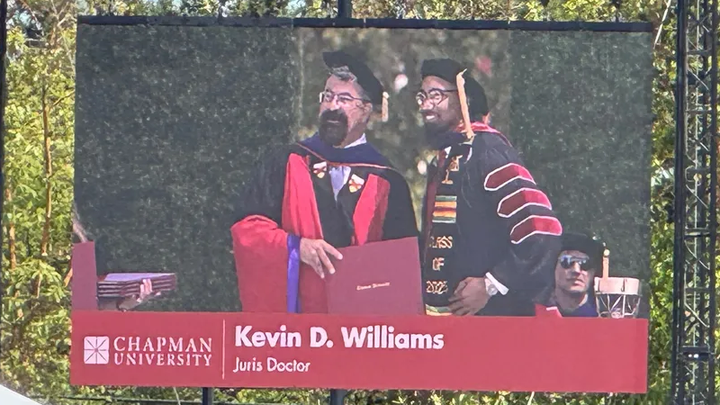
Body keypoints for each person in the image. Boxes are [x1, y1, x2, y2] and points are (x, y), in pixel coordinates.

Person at [231, 50, 419, 314]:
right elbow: (247, 229)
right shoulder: (286, 161)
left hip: (357, 324)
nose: (332, 107)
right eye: (328, 96)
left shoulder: (386, 180)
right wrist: (296, 247)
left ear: (366, 110)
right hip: (296, 322)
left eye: (344, 99)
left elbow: (400, 266)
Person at [417, 58, 562, 317]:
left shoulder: (488, 153)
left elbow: (541, 228)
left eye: (437, 96)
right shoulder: (445, 160)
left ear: (464, 100)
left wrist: (491, 283)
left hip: (496, 319)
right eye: (423, 96)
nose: (426, 105)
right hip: (448, 320)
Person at [537, 232, 605, 317]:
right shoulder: (535, 312)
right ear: (553, 267)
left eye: (586, 263)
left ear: (593, 272)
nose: (576, 270)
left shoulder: (603, 315)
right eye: (566, 261)